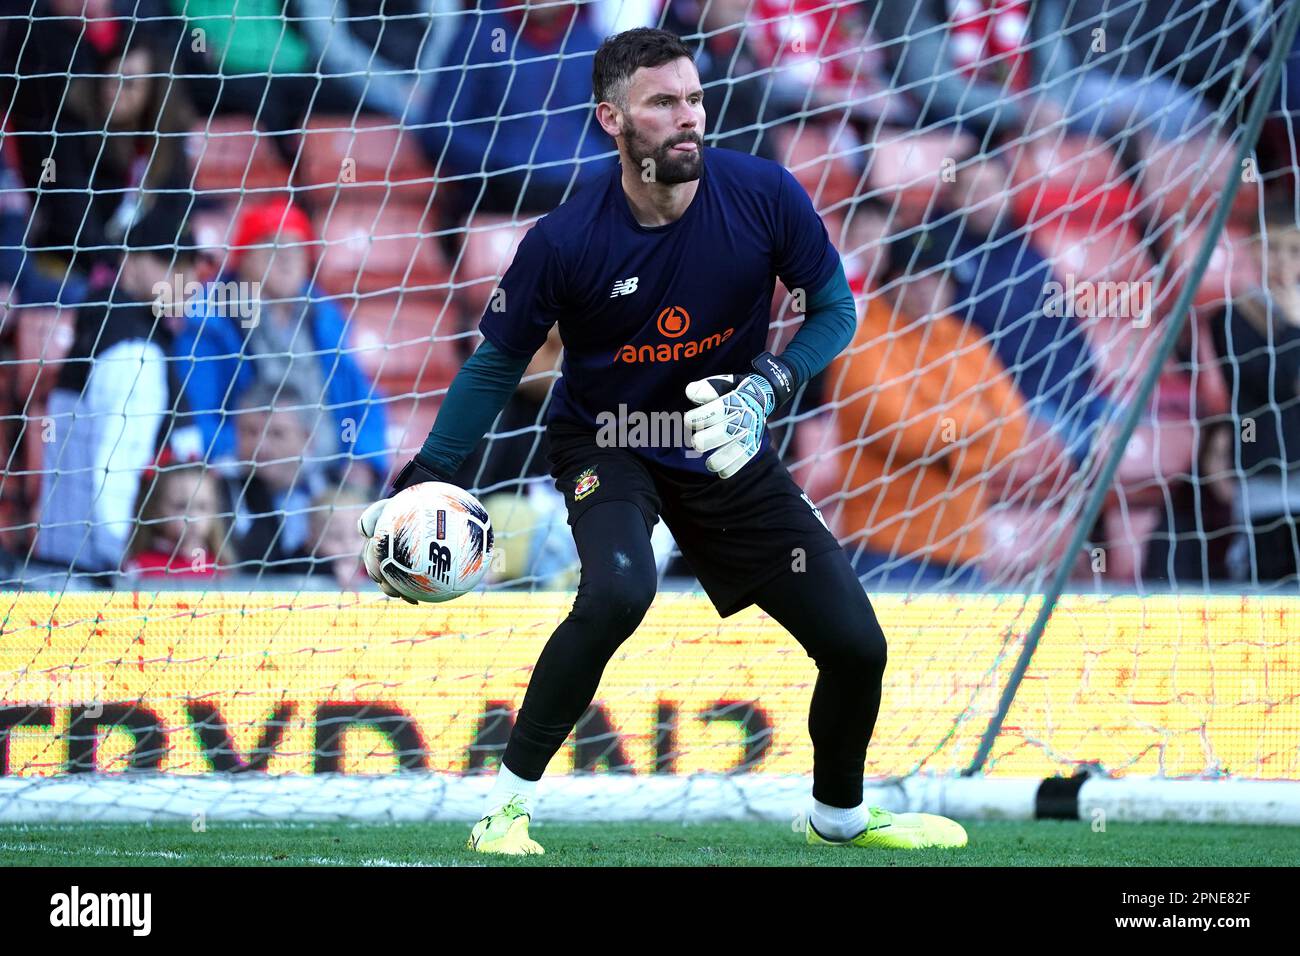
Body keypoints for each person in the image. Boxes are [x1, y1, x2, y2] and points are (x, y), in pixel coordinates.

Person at [359, 28, 968, 854]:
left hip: (726, 438)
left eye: (693, 98)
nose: (689, 118)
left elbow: (834, 311)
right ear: (611, 119)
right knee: (617, 593)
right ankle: (502, 811)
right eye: (662, 103)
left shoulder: (764, 194)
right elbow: (497, 366)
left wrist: (768, 386)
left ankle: (840, 816)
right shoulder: (566, 240)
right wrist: (421, 478)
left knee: (858, 646)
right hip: (609, 443)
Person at [832, 232, 1033, 589]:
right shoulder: (862, 343)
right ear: (891, 281)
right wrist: (975, 421)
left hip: (965, 548)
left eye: (938, 276)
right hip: (886, 547)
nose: (927, 287)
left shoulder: (968, 341)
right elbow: (902, 433)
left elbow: (1015, 432)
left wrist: (952, 458)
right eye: (914, 276)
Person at [33, 201, 202, 581]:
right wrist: (122, 570)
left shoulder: (113, 327)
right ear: (130, 261)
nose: (185, 278)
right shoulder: (133, 348)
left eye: (190, 265)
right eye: (169, 263)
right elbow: (114, 472)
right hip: (103, 576)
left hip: (70, 564)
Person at [172, 198, 389, 489]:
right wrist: (259, 453)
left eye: (297, 248)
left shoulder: (322, 318)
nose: (287, 258)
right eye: (272, 247)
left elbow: (362, 398)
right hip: (246, 481)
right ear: (244, 258)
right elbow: (195, 421)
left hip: (329, 477)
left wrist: (361, 457)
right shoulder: (212, 325)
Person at [1211, 202, 1300, 587]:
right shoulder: (1231, 318)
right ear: (1251, 248)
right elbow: (1275, 383)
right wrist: (1295, 326)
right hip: (1264, 494)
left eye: (1294, 250)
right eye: (1272, 247)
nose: (1282, 260)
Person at [124, 462, 230, 578]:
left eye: (202, 507)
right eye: (181, 506)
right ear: (155, 511)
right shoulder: (139, 567)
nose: (193, 517)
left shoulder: (218, 567)